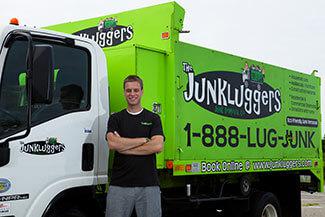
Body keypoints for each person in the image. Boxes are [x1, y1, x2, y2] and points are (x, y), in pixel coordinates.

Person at [105, 75, 164, 217]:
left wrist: (124, 147)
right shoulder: (115, 118)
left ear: (142, 91)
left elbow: (157, 146)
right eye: (128, 90)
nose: (132, 94)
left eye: (136, 90)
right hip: (120, 185)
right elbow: (113, 143)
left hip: (148, 185)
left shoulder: (153, 118)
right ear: (124, 92)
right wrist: (143, 140)